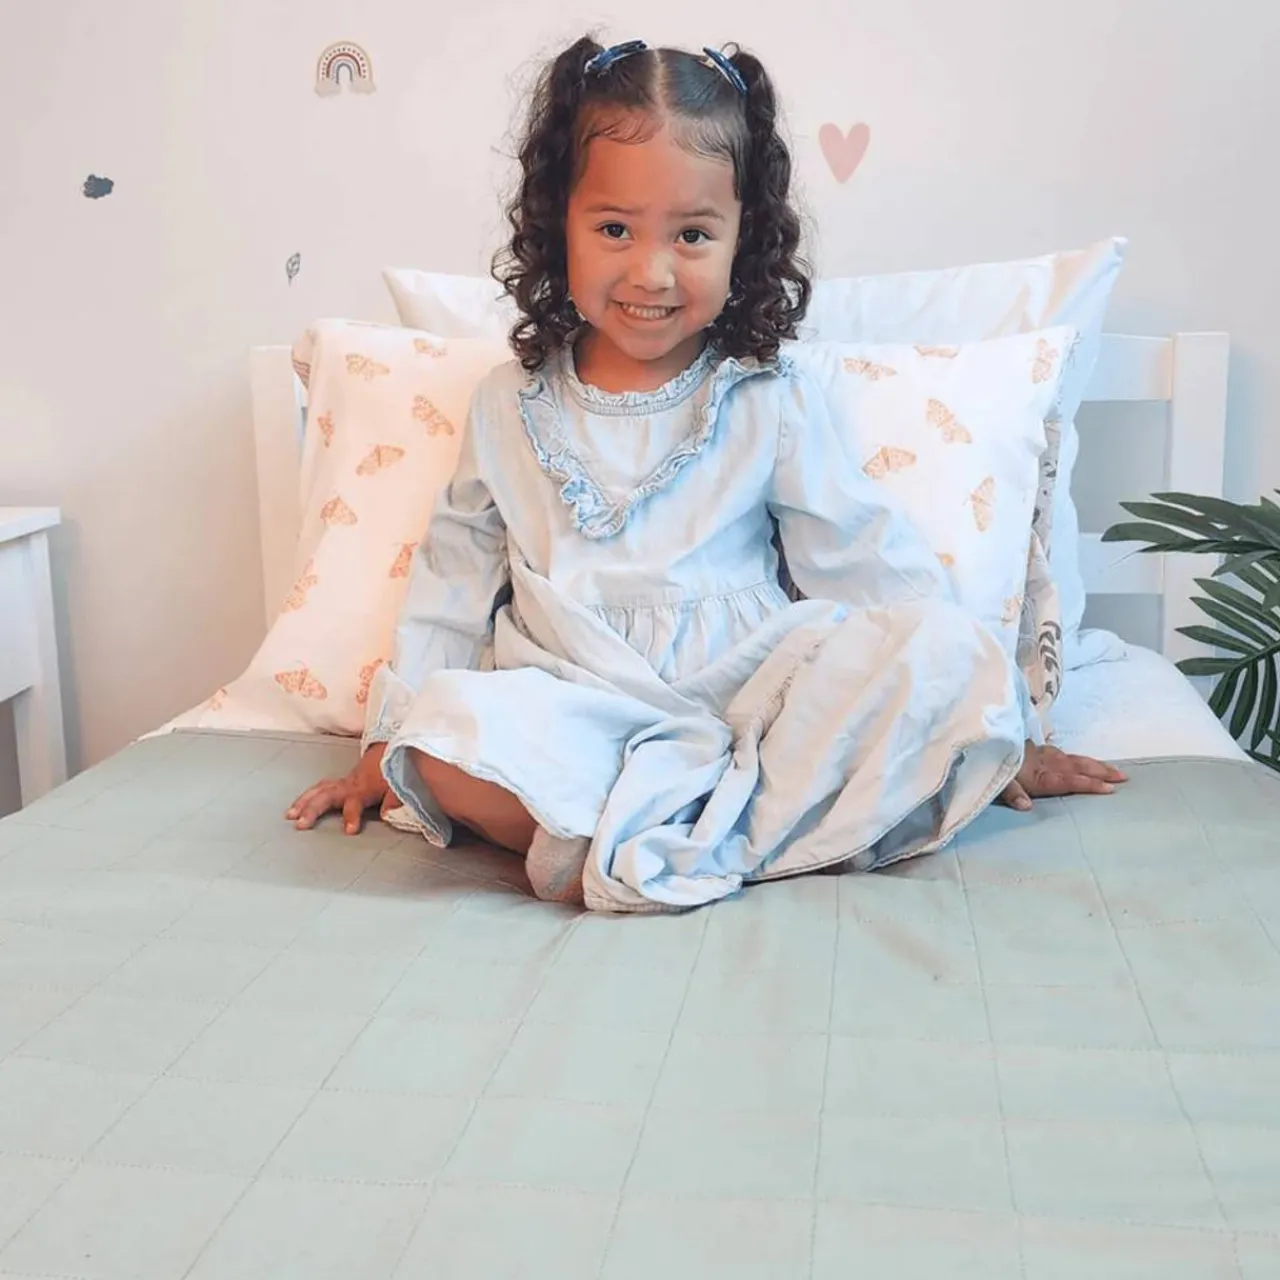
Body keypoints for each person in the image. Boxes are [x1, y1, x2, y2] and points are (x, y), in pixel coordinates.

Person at [286, 36, 1124, 911]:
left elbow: (862, 558)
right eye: (614, 229)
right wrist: (383, 746)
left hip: (751, 706)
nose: (651, 272)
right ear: (558, 224)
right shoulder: (509, 403)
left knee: (941, 649)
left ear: (741, 238)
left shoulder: (765, 396)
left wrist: (992, 723)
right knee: (440, 737)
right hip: (575, 704)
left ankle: (633, 841)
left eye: (691, 235)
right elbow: (451, 583)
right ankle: (699, 837)